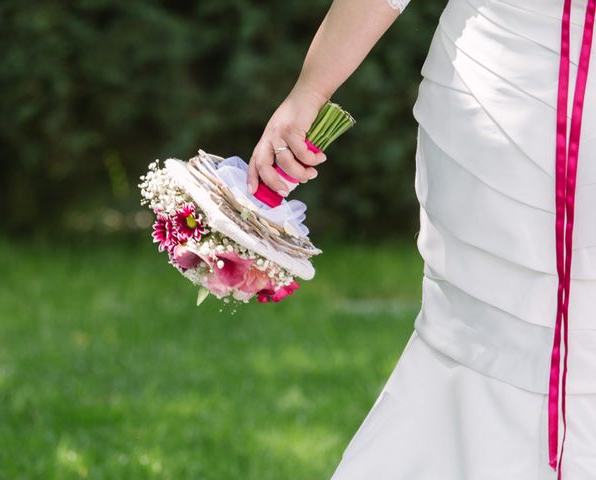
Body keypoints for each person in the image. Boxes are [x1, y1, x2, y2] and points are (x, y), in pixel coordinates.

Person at [247, 0, 596, 478]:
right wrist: (309, 91)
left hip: (503, 92)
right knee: (483, 333)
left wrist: (309, 92)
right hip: (507, 94)